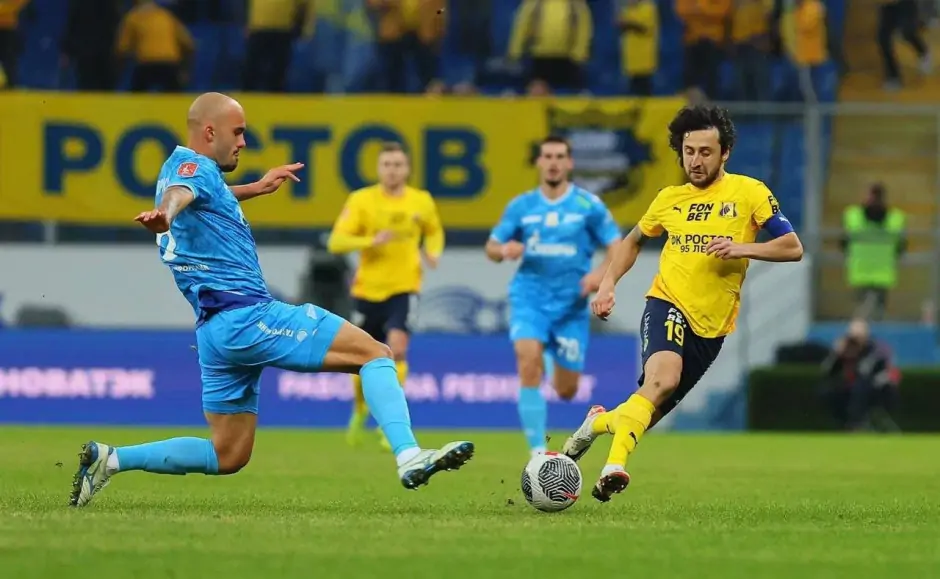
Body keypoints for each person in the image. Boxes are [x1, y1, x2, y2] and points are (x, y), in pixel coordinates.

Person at [69, 92, 473, 508]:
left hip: (214, 332)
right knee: (376, 354)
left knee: (228, 454)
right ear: (210, 132)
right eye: (238, 132)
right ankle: (408, 456)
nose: (243, 142)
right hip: (248, 317)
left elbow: (203, 194)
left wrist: (255, 188)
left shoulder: (185, 167)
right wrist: (165, 214)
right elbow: (181, 193)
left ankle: (110, 460)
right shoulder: (191, 171)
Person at [561, 104, 803, 502]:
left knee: (648, 409)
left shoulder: (750, 192)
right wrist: (607, 284)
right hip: (667, 303)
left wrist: (742, 247)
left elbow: (792, 247)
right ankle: (613, 468)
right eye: (689, 151)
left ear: (725, 153)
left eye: (706, 152)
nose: (695, 160)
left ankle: (596, 425)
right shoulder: (669, 199)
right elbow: (633, 241)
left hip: (712, 328)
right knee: (663, 381)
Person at [485, 136, 621, 458]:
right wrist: (504, 250)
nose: (553, 162)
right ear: (539, 162)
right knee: (527, 359)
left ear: (569, 163)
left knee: (566, 389)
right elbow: (491, 247)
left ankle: (550, 355)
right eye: (547, 156)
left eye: (560, 156)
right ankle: (537, 452)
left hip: (570, 306)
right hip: (529, 299)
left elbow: (618, 247)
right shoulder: (521, 206)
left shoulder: (588, 205)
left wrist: (599, 275)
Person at [327, 142, 444, 449]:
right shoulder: (362, 200)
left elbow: (434, 230)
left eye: (398, 165)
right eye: (387, 165)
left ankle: (388, 423)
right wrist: (370, 240)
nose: (393, 170)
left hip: (405, 288)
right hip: (367, 290)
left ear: (407, 169)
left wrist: (433, 251)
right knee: (361, 358)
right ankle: (359, 409)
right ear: (379, 169)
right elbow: (336, 241)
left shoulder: (421, 201)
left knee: (398, 350)